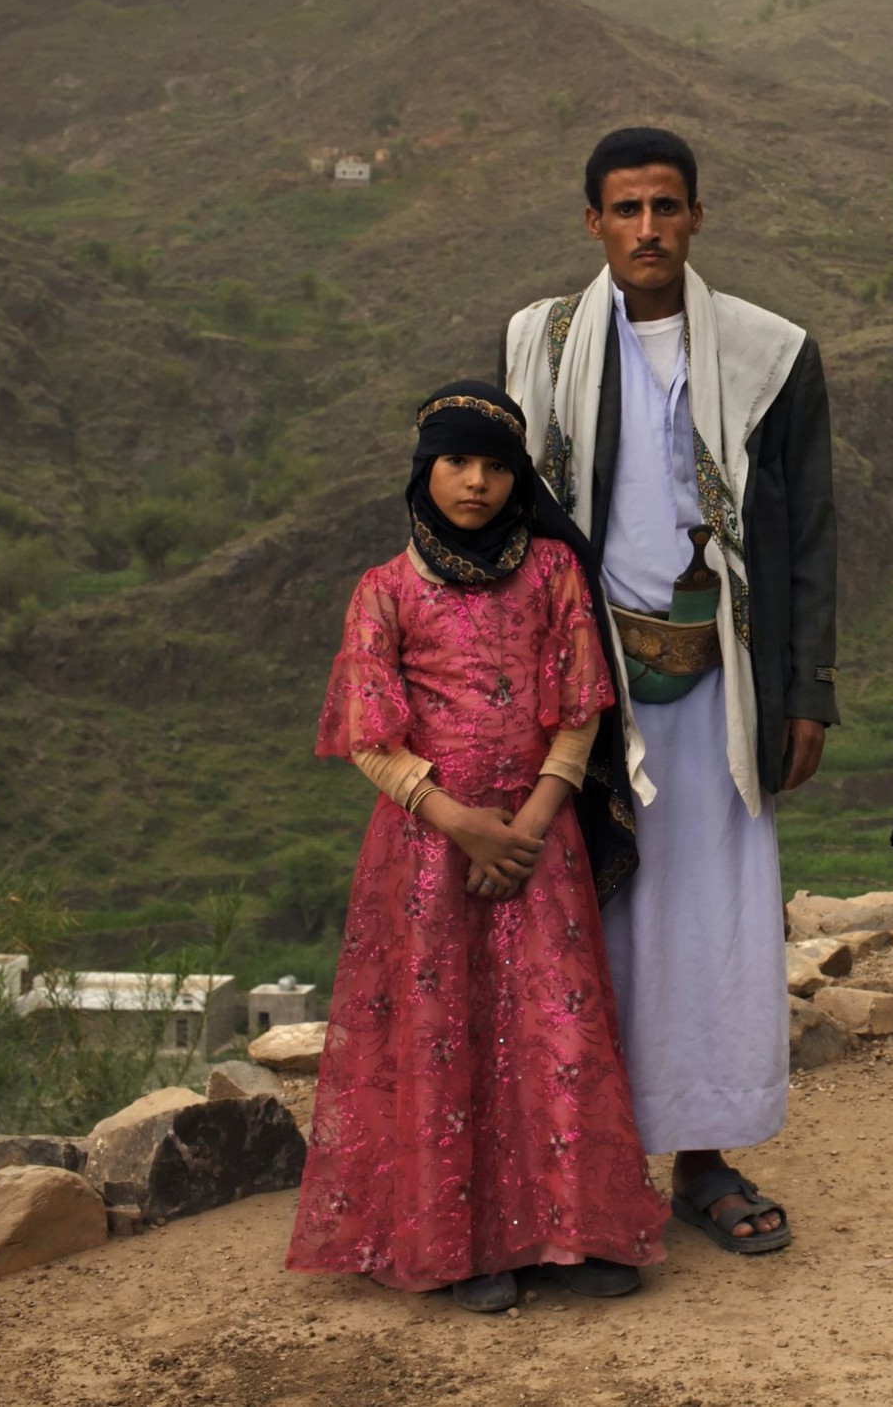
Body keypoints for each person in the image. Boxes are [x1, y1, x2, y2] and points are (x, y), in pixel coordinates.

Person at [503, 126, 836, 1254]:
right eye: (626, 208)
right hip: (585, 691)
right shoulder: (538, 346)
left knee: (712, 919)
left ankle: (702, 1159)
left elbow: (808, 536)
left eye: (667, 206)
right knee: (586, 912)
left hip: (723, 684)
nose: (648, 227)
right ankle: (585, 1164)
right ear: (591, 221)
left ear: (697, 216)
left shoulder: (769, 350)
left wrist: (806, 691)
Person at [288, 382, 667, 1313]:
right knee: (442, 1036)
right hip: (427, 853)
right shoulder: (382, 591)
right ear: (426, 471)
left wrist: (531, 827)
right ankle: (457, 1243)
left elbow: (579, 709)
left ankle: (576, 1230)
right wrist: (461, 823)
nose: (478, 482)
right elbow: (371, 739)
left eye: (498, 466)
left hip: (539, 844)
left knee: (554, 1027)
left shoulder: (552, 574)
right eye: (459, 462)